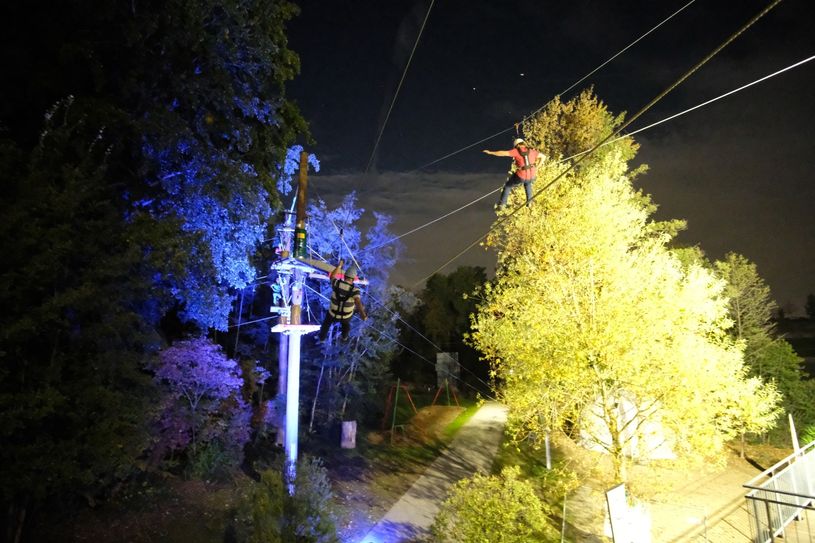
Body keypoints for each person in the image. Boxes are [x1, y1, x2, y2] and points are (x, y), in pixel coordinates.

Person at [483, 138, 543, 209]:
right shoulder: (532, 151)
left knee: (508, 186)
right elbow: (543, 157)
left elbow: (502, 153)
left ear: (516, 145)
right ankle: (529, 202)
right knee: (528, 183)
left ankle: (502, 204)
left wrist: (490, 152)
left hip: (521, 176)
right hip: (532, 175)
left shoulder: (516, 151)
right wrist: (538, 166)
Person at [318, 260, 368, 342]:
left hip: (332, 314)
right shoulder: (355, 290)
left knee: (326, 324)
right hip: (345, 316)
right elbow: (357, 301)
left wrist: (339, 266)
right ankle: (344, 337)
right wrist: (362, 314)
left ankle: (322, 337)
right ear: (353, 279)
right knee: (346, 326)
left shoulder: (336, 283)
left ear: (345, 276)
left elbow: (332, 276)